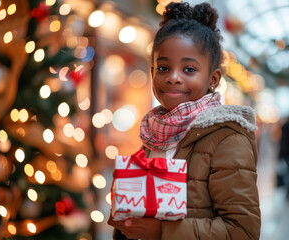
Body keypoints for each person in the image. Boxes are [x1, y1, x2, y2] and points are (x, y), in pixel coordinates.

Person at [108, 2, 261, 239]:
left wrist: (162, 232)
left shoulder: (228, 139)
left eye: (189, 69)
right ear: (151, 73)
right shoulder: (154, 135)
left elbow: (243, 231)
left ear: (213, 79)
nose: (173, 78)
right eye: (163, 67)